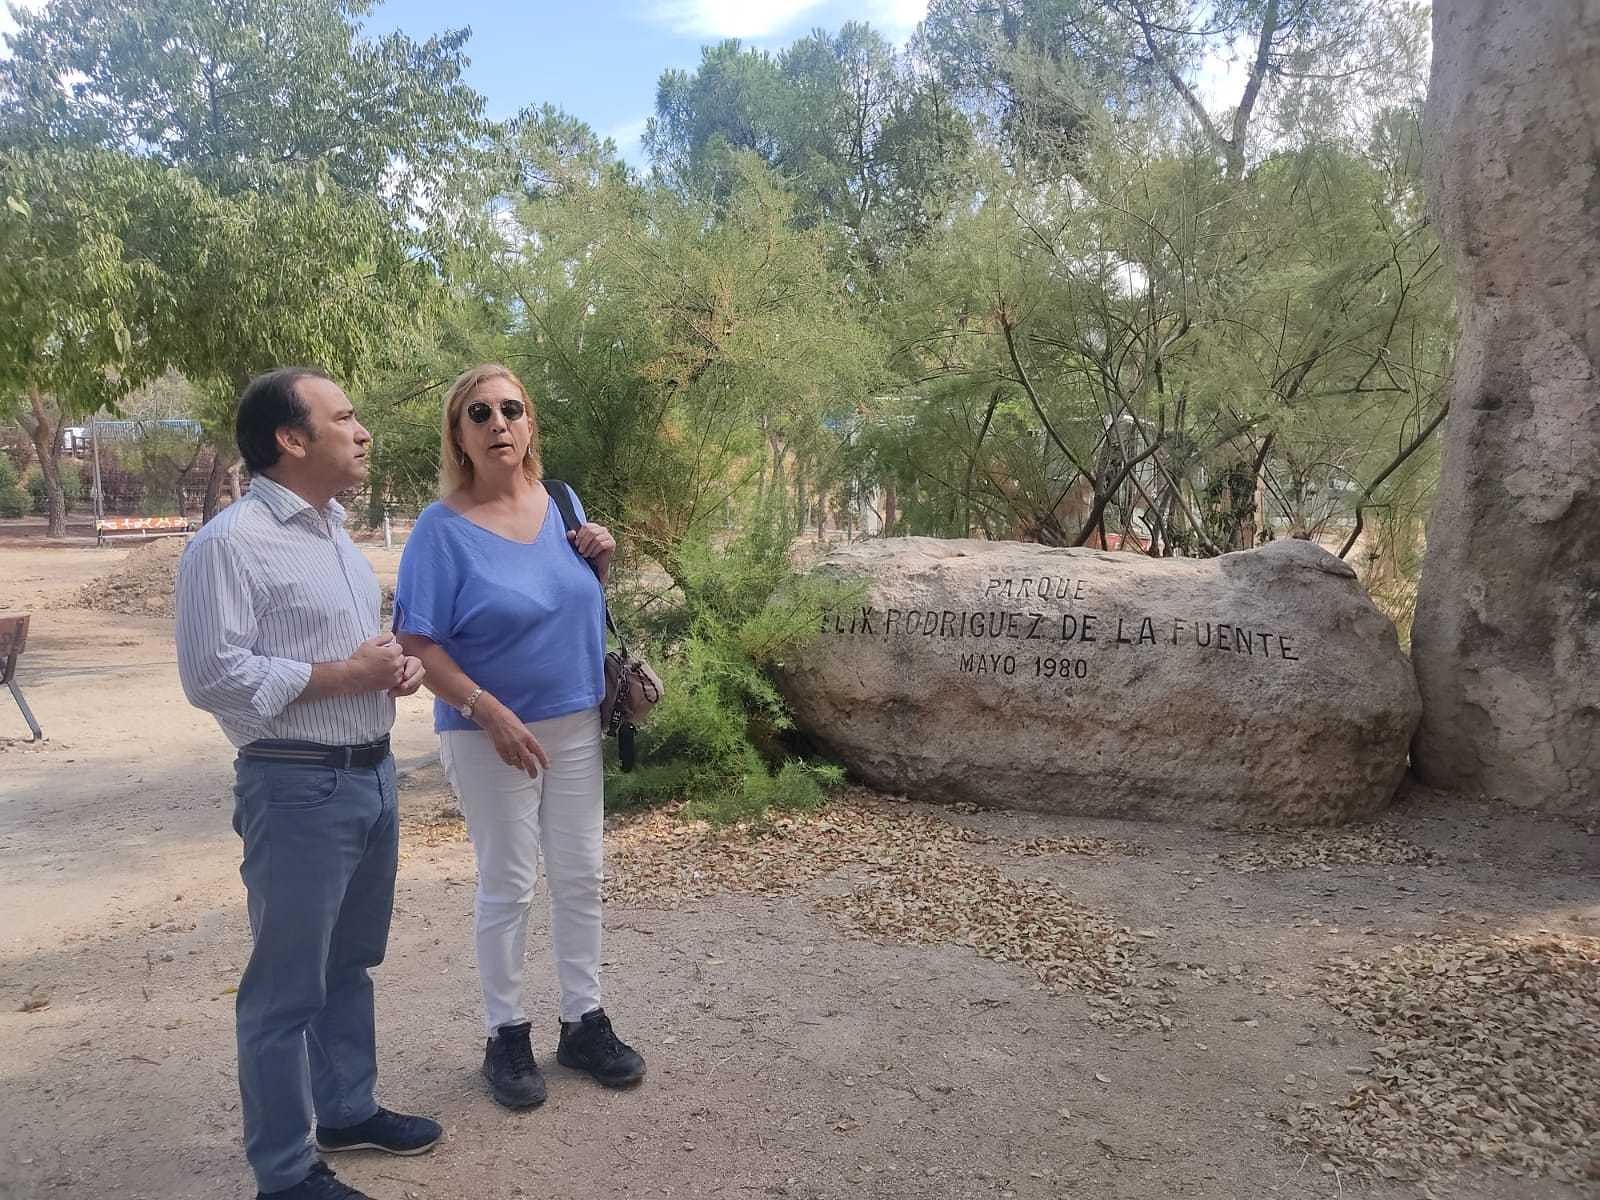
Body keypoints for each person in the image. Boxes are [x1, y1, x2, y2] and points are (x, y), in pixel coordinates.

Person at [176, 368, 440, 1200]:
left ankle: (346, 1110)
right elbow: (212, 675)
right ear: (291, 440)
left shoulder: (331, 532)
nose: (362, 432)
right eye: (344, 417)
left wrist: (385, 670)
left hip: (369, 776)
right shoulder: (230, 542)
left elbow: (344, 654)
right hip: (296, 786)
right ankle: (286, 1175)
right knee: (284, 991)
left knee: (347, 965)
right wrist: (340, 675)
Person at [393, 363, 645, 1112]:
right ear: (459, 435)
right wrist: (486, 711)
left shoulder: (562, 501)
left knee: (580, 874)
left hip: (572, 720)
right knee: (508, 882)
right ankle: (506, 1034)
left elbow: (564, 606)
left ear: (530, 423)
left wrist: (599, 562)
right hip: (485, 732)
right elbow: (416, 640)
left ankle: (583, 1021)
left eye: (511, 409)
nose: (498, 422)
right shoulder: (440, 533)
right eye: (480, 413)